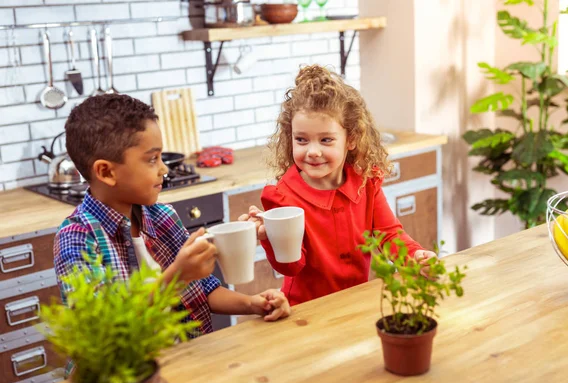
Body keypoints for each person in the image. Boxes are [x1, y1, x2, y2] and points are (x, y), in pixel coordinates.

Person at [54, 94, 291, 339]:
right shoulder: (77, 238)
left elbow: (204, 290)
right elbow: (99, 330)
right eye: (152, 159)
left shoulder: (163, 216)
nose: (164, 169)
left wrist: (253, 304)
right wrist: (177, 277)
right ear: (106, 171)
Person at [240, 65, 437, 306]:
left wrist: (414, 257)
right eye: (301, 140)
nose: (313, 151)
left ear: (351, 139)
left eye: (326, 140)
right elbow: (291, 266)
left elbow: (389, 235)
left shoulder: (366, 182)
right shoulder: (282, 197)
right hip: (306, 311)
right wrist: (269, 237)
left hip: (355, 302)